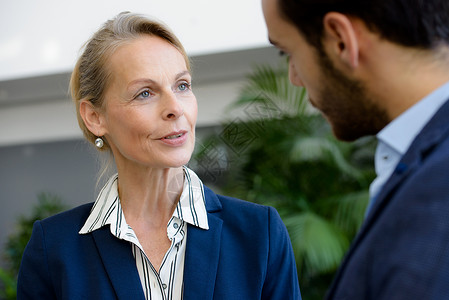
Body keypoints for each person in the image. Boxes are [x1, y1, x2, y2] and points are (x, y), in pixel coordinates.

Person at [17, 12, 301, 300]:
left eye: (182, 85)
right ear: (94, 116)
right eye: (145, 93)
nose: (175, 108)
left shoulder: (259, 234)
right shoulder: (53, 249)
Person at [262, 0, 449, 299]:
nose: (294, 78)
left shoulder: (437, 190)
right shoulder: (419, 166)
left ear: (340, 39)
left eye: (288, 52)